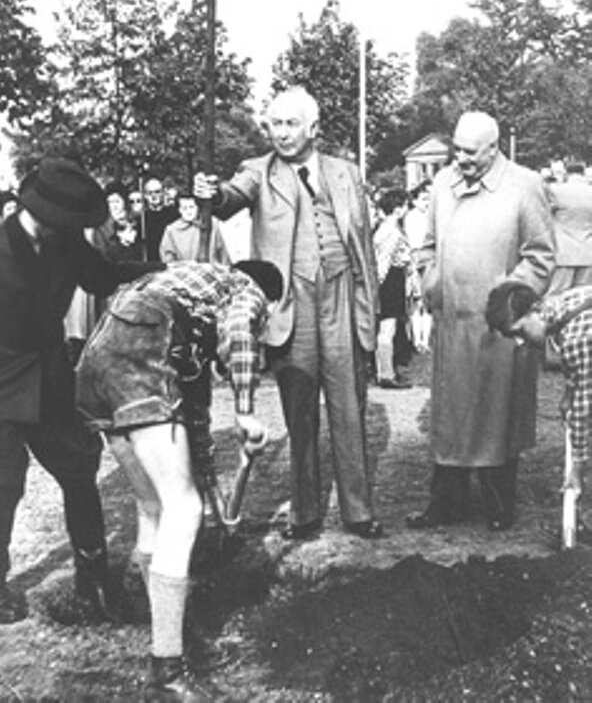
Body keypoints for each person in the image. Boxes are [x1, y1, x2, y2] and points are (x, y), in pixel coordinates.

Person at [76, 259, 283, 702]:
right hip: (142, 348)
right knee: (183, 510)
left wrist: (210, 478)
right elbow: (244, 331)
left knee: (155, 507)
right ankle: (165, 673)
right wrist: (246, 411)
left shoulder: (189, 296)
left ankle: (156, 621)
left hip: (99, 356)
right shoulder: (242, 288)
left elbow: (192, 414)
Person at [194, 85, 383, 541]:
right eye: (274, 124)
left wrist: (367, 308)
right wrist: (211, 194)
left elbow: (366, 251)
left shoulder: (345, 173)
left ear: (313, 129)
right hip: (290, 305)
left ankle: (358, 513)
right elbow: (230, 198)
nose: (280, 133)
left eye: (290, 124)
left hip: (340, 296)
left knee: (348, 408)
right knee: (300, 416)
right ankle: (305, 513)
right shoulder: (258, 172)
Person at [0, 156, 163, 624]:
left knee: (80, 473)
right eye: (66, 222)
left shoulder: (65, 242)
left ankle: (94, 581)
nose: (72, 230)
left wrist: (162, 269)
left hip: (50, 385)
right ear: (42, 215)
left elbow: (102, 277)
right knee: (2, 486)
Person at [406, 111, 555, 533]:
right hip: (452, 324)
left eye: (471, 152)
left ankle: (497, 503)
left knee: (497, 419)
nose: (461, 159)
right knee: (451, 421)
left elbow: (541, 255)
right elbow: (428, 245)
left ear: (494, 148)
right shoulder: (441, 183)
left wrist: (509, 295)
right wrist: (432, 281)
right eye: (457, 149)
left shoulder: (525, 185)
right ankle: (446, 503)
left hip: (499, 330)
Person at [485, 280, 592, 522]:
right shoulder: (564, 303)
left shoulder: (577, 336)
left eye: (520, 332)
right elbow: (579, 370)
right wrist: (568, 394)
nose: (521, 342)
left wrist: (577, 469)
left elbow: (584, 410)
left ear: (534, 311)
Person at [372, 187, 414, 388]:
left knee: (387, 328)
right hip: (390, 281)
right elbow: (384, 261)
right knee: (387, 329)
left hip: (392, 280)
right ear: (398, 208)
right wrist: (377, 286)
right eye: (405, 205)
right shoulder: (391, 232)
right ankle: (386, 374)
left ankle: (384, 371)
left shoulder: (385, 229)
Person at [545, 160, 592, 294]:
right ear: (583, 173)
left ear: (566, 172)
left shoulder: (556, 191)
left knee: (556, 297)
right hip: (589, 254)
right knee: (583, 299)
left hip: (564, 253)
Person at [159, 192, 230, 265]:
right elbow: (168, 259)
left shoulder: (213, 223)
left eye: (191, 207)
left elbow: (223, 253)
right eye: (184, 208)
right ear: (179, 210)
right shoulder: (172, 230)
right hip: (186, 273)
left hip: (212, 271)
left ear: (198, 207)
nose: (188, 211)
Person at [404, 180, 433, 353]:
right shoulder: (411, 217)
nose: (426, 202)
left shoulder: (430, 217)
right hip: (416, 259)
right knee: (416, 303)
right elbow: (412, 242)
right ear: (414, 201)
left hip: (429, 259)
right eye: (423, 199)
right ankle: (416, 340)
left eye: (428, 199)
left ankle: (425, 340)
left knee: (427, 303)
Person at [141, 176, 179, 262]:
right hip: (149, 263)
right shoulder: (141, 218)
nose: (153, 196)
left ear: (163, 193)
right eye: (150, 193)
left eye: (157, 192)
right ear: (145, 196)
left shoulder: (174, 214)